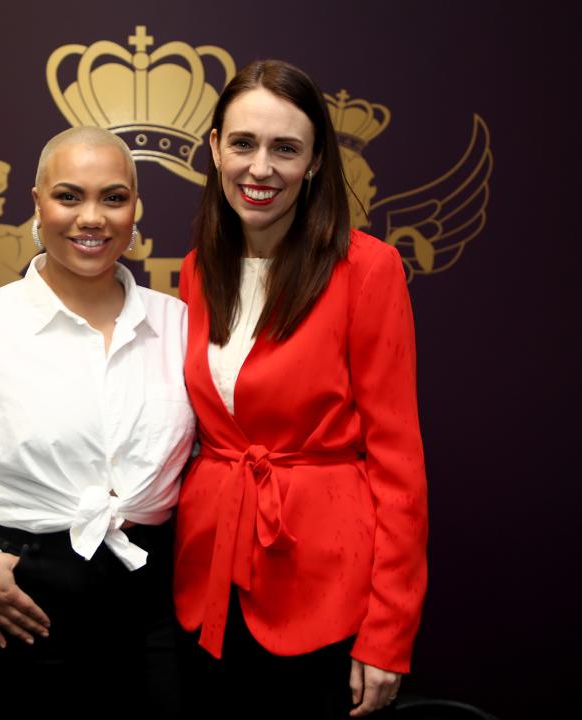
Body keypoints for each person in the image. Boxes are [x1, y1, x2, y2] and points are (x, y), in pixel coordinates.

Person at [0, 126, 195, 717]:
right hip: (18, 603)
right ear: (36, 203)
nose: (92, 217)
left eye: (113, 197)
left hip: (154, 603)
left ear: (136, 209)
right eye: (69, 196)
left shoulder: (180, 324)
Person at [174, 59, 428, 718]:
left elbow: (399, 466)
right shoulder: (198, 270)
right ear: (214, 149)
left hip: (323, 583)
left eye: (286, 148)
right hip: (208, 576)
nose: (261, 168)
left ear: (315, 162)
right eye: (243, 144)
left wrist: (387, 633)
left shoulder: (368, 270)